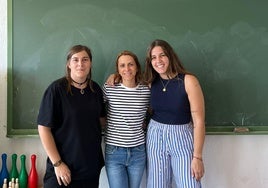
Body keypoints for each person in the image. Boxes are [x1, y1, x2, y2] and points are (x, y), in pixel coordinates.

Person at [37, 45, 105, 188]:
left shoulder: (96, 89)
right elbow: (44, 128)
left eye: (85, 59)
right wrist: (58, 163)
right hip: (62, 170)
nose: (80, 64)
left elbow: (101, 121)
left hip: (90, 169)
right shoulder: (56, 90)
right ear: (68, 64)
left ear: (90, 63)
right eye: (75, 60)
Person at [144, 39, 205, 188]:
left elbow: (199, 122)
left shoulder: (189, 81)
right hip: (155, 136)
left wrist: (197, 157)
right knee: (157, 185)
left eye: (162, 55)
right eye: (153, 57)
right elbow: (127, 79)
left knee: (189, 183)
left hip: (182, 137)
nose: (158, 60)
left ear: (170, 56)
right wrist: (114, 77)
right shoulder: (150, 82)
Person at [102, 50, 150, 188]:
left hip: (138, 151)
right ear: (117, 69)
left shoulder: (146, 90)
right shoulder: (109, 88)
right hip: (114, 151)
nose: (127, 69)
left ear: (137, 67)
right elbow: (96, 109)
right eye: (122, 65)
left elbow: (155, 111)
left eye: (130, 64)